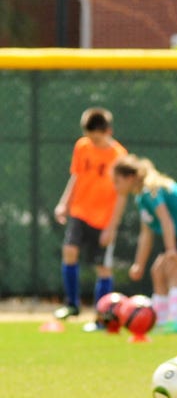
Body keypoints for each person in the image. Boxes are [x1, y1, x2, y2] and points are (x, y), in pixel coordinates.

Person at [112, 155, 177, 332]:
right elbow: (146, 234)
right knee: (157, 271)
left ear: (130, 178)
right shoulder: (140, 199)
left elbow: (166, 221)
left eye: (117, 181)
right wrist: (139, 264)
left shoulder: (151, 190)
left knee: (173, 269)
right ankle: (159, 321)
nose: (115, 186)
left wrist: (171, 249)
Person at [52, 107, 128, 322]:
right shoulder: (82, 146)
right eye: (90, 138)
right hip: (80, 211)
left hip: (103, 219)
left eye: (97, 138)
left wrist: (111, 228)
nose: (92, 142)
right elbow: (76, 176)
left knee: (103, 267)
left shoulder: (119, 156)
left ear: (108, 131)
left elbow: (122, 196)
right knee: (69, 250)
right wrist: (64, 203)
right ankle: (72, 305)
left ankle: (102, 315)